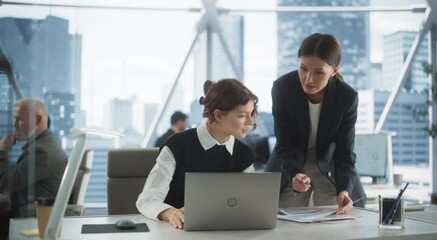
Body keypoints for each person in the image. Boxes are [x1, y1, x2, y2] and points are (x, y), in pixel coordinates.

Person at [265, 33, 366, 214]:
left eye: (319, 72)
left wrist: (344, 189)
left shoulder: (347, 97)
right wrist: (295, 173)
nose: (309, 79)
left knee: (336, 219)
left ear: (334, 70)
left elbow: (345, 152)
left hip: (329, 163)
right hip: (290, 160)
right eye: (303, 69)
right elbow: (284, 142)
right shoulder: (283, 88)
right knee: (284, 219)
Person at [137, 78, 258, 229]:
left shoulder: (244, 154)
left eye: (251, 114)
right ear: (219, 115)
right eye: (242, 115)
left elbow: (252, 201)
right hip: (177, 231)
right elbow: (147, 199)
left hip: (225, 230)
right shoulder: (177, 145)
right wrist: (170, 213)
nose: (251, 122)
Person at [0, 98, 67, 218]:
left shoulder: (41, 152)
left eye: (19, 119)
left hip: (29, 218)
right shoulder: (45, 145)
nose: (15, 125)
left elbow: (6, 185)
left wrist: (2, 150)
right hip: (26, 212)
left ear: (38, 119)